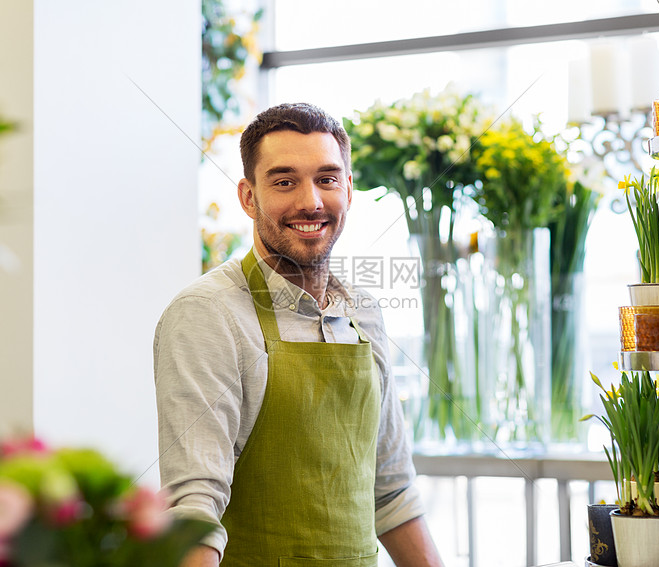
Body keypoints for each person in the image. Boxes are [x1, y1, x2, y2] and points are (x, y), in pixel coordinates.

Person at [154, 102, 444, 567]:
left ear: (348, 190)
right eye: (285, 181)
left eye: (327, 179)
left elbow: (391, 494)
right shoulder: (207, 314)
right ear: (248, 197)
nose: (310, 201)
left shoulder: (364, 313)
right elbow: (194, 507)